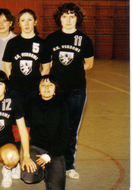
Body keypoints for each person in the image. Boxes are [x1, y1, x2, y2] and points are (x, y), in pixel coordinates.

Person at [45, 3, 94, 179]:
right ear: (59, 18)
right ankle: (50, 164)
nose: (68, 20)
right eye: (64, 16)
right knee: (53, 127)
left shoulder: (85, 40)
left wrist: (71, 71)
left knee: (72, 128)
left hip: (77, 91)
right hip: (55, 91)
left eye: (72, 16)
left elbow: (88, 64)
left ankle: (69, 166)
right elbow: (46, 64)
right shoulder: (51, 39)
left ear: (77, 19)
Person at [21, 75, 70, 190]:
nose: (46, 88)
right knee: (28, 176)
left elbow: (65, 135)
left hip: (55, 152)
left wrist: (49, 156)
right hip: (36, 148)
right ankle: (41, 173)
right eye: (43, 85)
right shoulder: (31, 103)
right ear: (38, 89)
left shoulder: (62, 105)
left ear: (55, 89)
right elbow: (14, 110)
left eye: (50, 85)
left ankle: (49, 171)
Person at [3, 8, 51, 103]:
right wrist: (12, 83)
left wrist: (38, 83)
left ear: (35, 22)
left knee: (32, 117)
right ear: (19, 23)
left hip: (34, 90)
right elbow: (7, 66)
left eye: (30, 20)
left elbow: (46, 68)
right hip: (15, 89)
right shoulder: (12, 43)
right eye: (23, 20)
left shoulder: (42, 43)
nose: (26, 23)